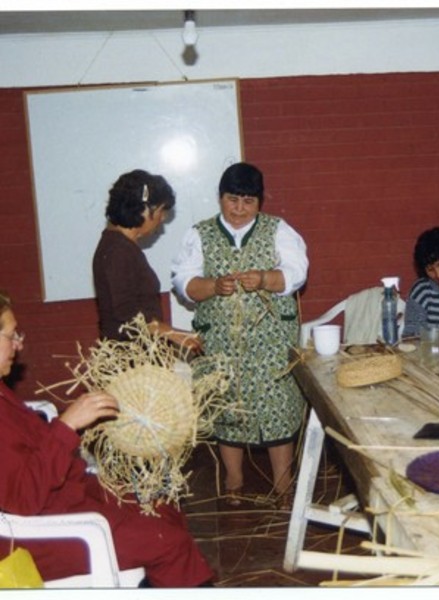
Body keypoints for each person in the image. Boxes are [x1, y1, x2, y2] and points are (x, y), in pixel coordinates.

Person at [0, 291, 214, 587]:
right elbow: (24, 499)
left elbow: (31, 451)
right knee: (169, 543)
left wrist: (75, 426)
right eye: (11, 336)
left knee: (165, 509)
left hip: (65, 498)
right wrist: (66, 426)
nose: (19, 344)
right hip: (41, 536)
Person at [171, 162, 308, 508]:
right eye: (233, 200)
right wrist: (213, 286)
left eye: (248, 201)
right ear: (221, 198)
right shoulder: (198, 234)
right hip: (220, 341)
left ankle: (283, 484)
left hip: (271, 343)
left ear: (260, 202)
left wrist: (265, 278)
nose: (239, 209)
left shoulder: (279, 230)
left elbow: (297, 272)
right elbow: (183, 281)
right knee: (225, 406)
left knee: (277, 406)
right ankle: (234, 479)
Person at [93, 169, 201, 352]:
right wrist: (173, 334)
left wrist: (177, 333)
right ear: (144, 210)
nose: (163, 218)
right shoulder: (118, 250)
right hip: (130, 363)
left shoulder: (119, 245)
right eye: (161, 211)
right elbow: (128, 315)